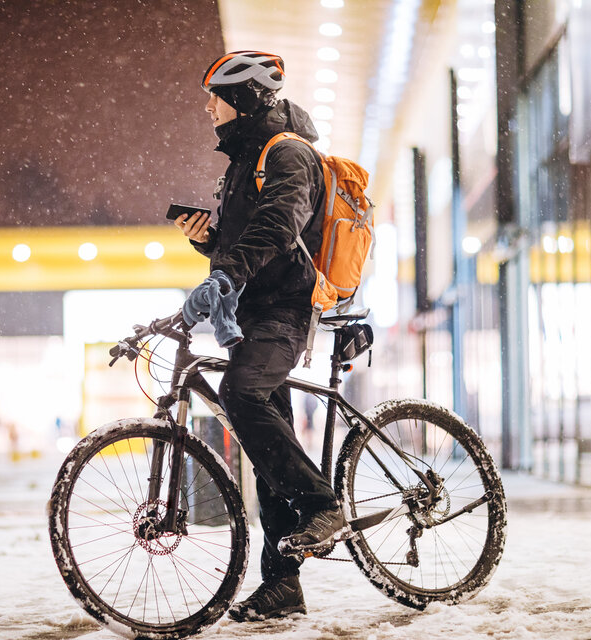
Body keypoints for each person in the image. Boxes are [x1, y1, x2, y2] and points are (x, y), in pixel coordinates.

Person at [176, 51, 349, 622]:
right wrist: (209, 243)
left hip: (284, 309)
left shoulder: (288, 152)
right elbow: (248, 237)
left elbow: (282, 220)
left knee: (242, 398)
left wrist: (227, 272)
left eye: (215, 96)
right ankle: (283, 585)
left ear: (245, 98)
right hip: (251, 314)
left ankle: (324, 505)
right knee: (264, 446)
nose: (206, 108)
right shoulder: (244, 160)